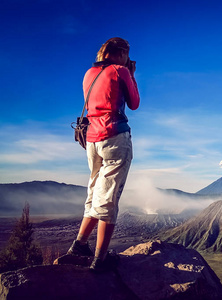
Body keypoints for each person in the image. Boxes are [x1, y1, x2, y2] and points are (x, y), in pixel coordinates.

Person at [67, 37, 140, 272]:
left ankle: (79, 245)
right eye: (127, 55)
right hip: (114, 137)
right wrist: (131, 73)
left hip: (91, 141)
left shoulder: (89, 73)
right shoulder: (121, 70)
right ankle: (101, 258)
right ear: (120, 54)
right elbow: (135, 102)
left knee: (94, 191)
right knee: (108, 196)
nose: (128, 59)